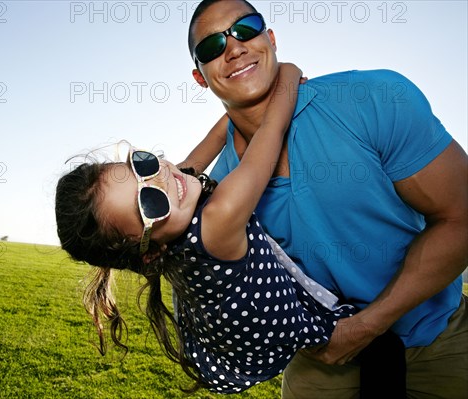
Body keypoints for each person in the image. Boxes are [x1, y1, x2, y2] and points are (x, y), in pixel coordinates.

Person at [184, 0, 468, 397]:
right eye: (213, 47)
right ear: (201, 77)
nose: (233, 48)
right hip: (325, 357)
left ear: (271, 38)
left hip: (437, 335)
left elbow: (461, 218)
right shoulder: (221, 194)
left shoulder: (373, 99)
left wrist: (367, 326)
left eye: (246, 28)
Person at [56, 64, 367, 393]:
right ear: (149, 251)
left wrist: (243, 101)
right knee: (384, 350)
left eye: (141, 165)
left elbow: (218, 136)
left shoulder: (171, 204)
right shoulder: (218, 221)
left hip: (245, 323)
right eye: (149, 202)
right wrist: (285, 75)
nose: (162, 177)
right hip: (304, 328)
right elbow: (271, 132)